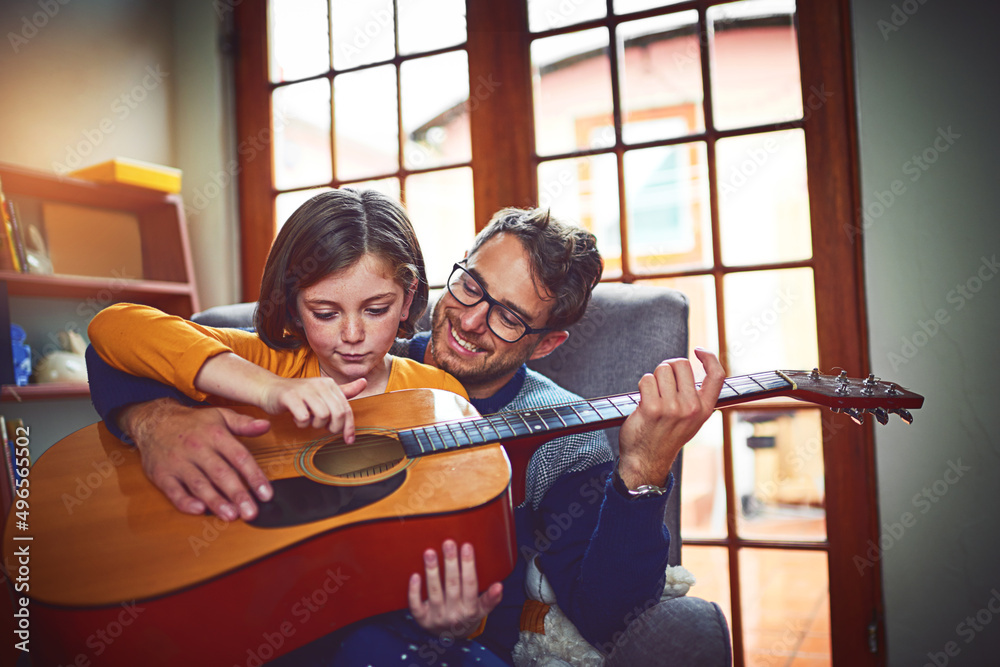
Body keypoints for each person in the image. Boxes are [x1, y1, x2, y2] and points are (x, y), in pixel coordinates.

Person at [86, 206, 726, 665]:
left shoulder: (561, 438)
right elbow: (119, 342)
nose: (470, 321)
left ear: (549, 341)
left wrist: (644, 469)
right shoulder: (343, 349)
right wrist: (155, 422)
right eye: (471, 285)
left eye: (507, 317)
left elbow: (609, 614)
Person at [87, 187, 467, 523]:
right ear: (294, 307)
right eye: (325, 313)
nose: (353, 335)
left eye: (376, 309)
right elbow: (113, 325)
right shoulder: (262, 360)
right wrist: (269, 389)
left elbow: (452, 504)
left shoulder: (439, 394)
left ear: (407, 300)